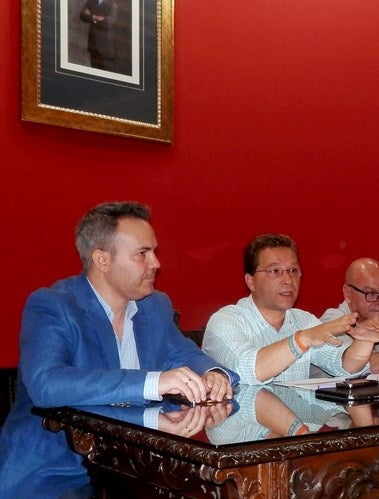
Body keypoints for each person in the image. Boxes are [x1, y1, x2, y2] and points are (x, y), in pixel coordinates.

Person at [0, 201, 238, 498]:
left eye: (154, 251)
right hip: (55, 470)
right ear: (102, 260)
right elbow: (46, 384)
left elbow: (184, 353)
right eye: (142, 253)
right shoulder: (54, 305)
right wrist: (152, 383)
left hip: (135, 466)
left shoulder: (154, 305)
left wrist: (214, 373)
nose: (156, 263)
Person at [202, 234, 379, 385]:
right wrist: (303, 339)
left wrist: (364, 342)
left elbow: (343, 366)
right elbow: (247, 370)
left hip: (296, 422)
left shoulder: (303, 320)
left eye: (293, 271)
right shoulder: (225, 321)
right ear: (250, 281)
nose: (288, 280)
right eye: (274, 271)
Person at [78, 0, 119, 71]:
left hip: (105, 47)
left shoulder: (113, 4)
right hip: (92, 43)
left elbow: (107, 23)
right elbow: (82, 15)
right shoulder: (91, 0)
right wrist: (96, 17)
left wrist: (91, 16)